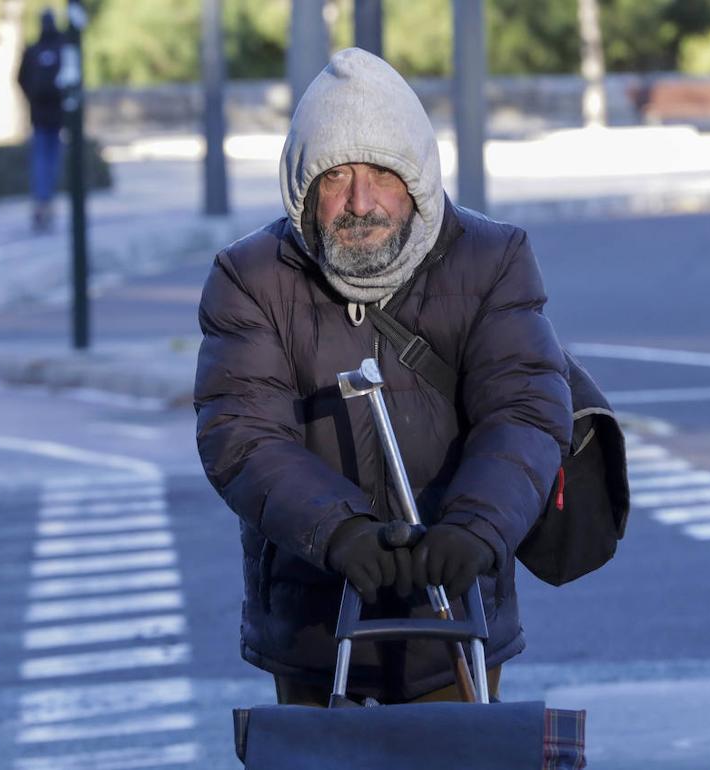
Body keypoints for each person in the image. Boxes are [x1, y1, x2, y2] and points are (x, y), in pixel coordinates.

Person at [194, 48, 572, 706]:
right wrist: (337, 531)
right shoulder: (250, 276)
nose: (360, 201)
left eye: (383, 172)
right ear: (302, 187)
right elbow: (241, 432)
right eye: (336, 175)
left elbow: (526, 409)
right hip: (313, 614)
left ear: (419, 176)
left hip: (456, 615)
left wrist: (476, 529)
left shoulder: (492, 259)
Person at [16, 9, 64, 233]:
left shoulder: (34, 50)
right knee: (49, 160)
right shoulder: (59, 49)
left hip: (39, 115)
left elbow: (20, 79)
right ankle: (45, 203)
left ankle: (42, 202)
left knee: (41, 161)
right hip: (53, 115)